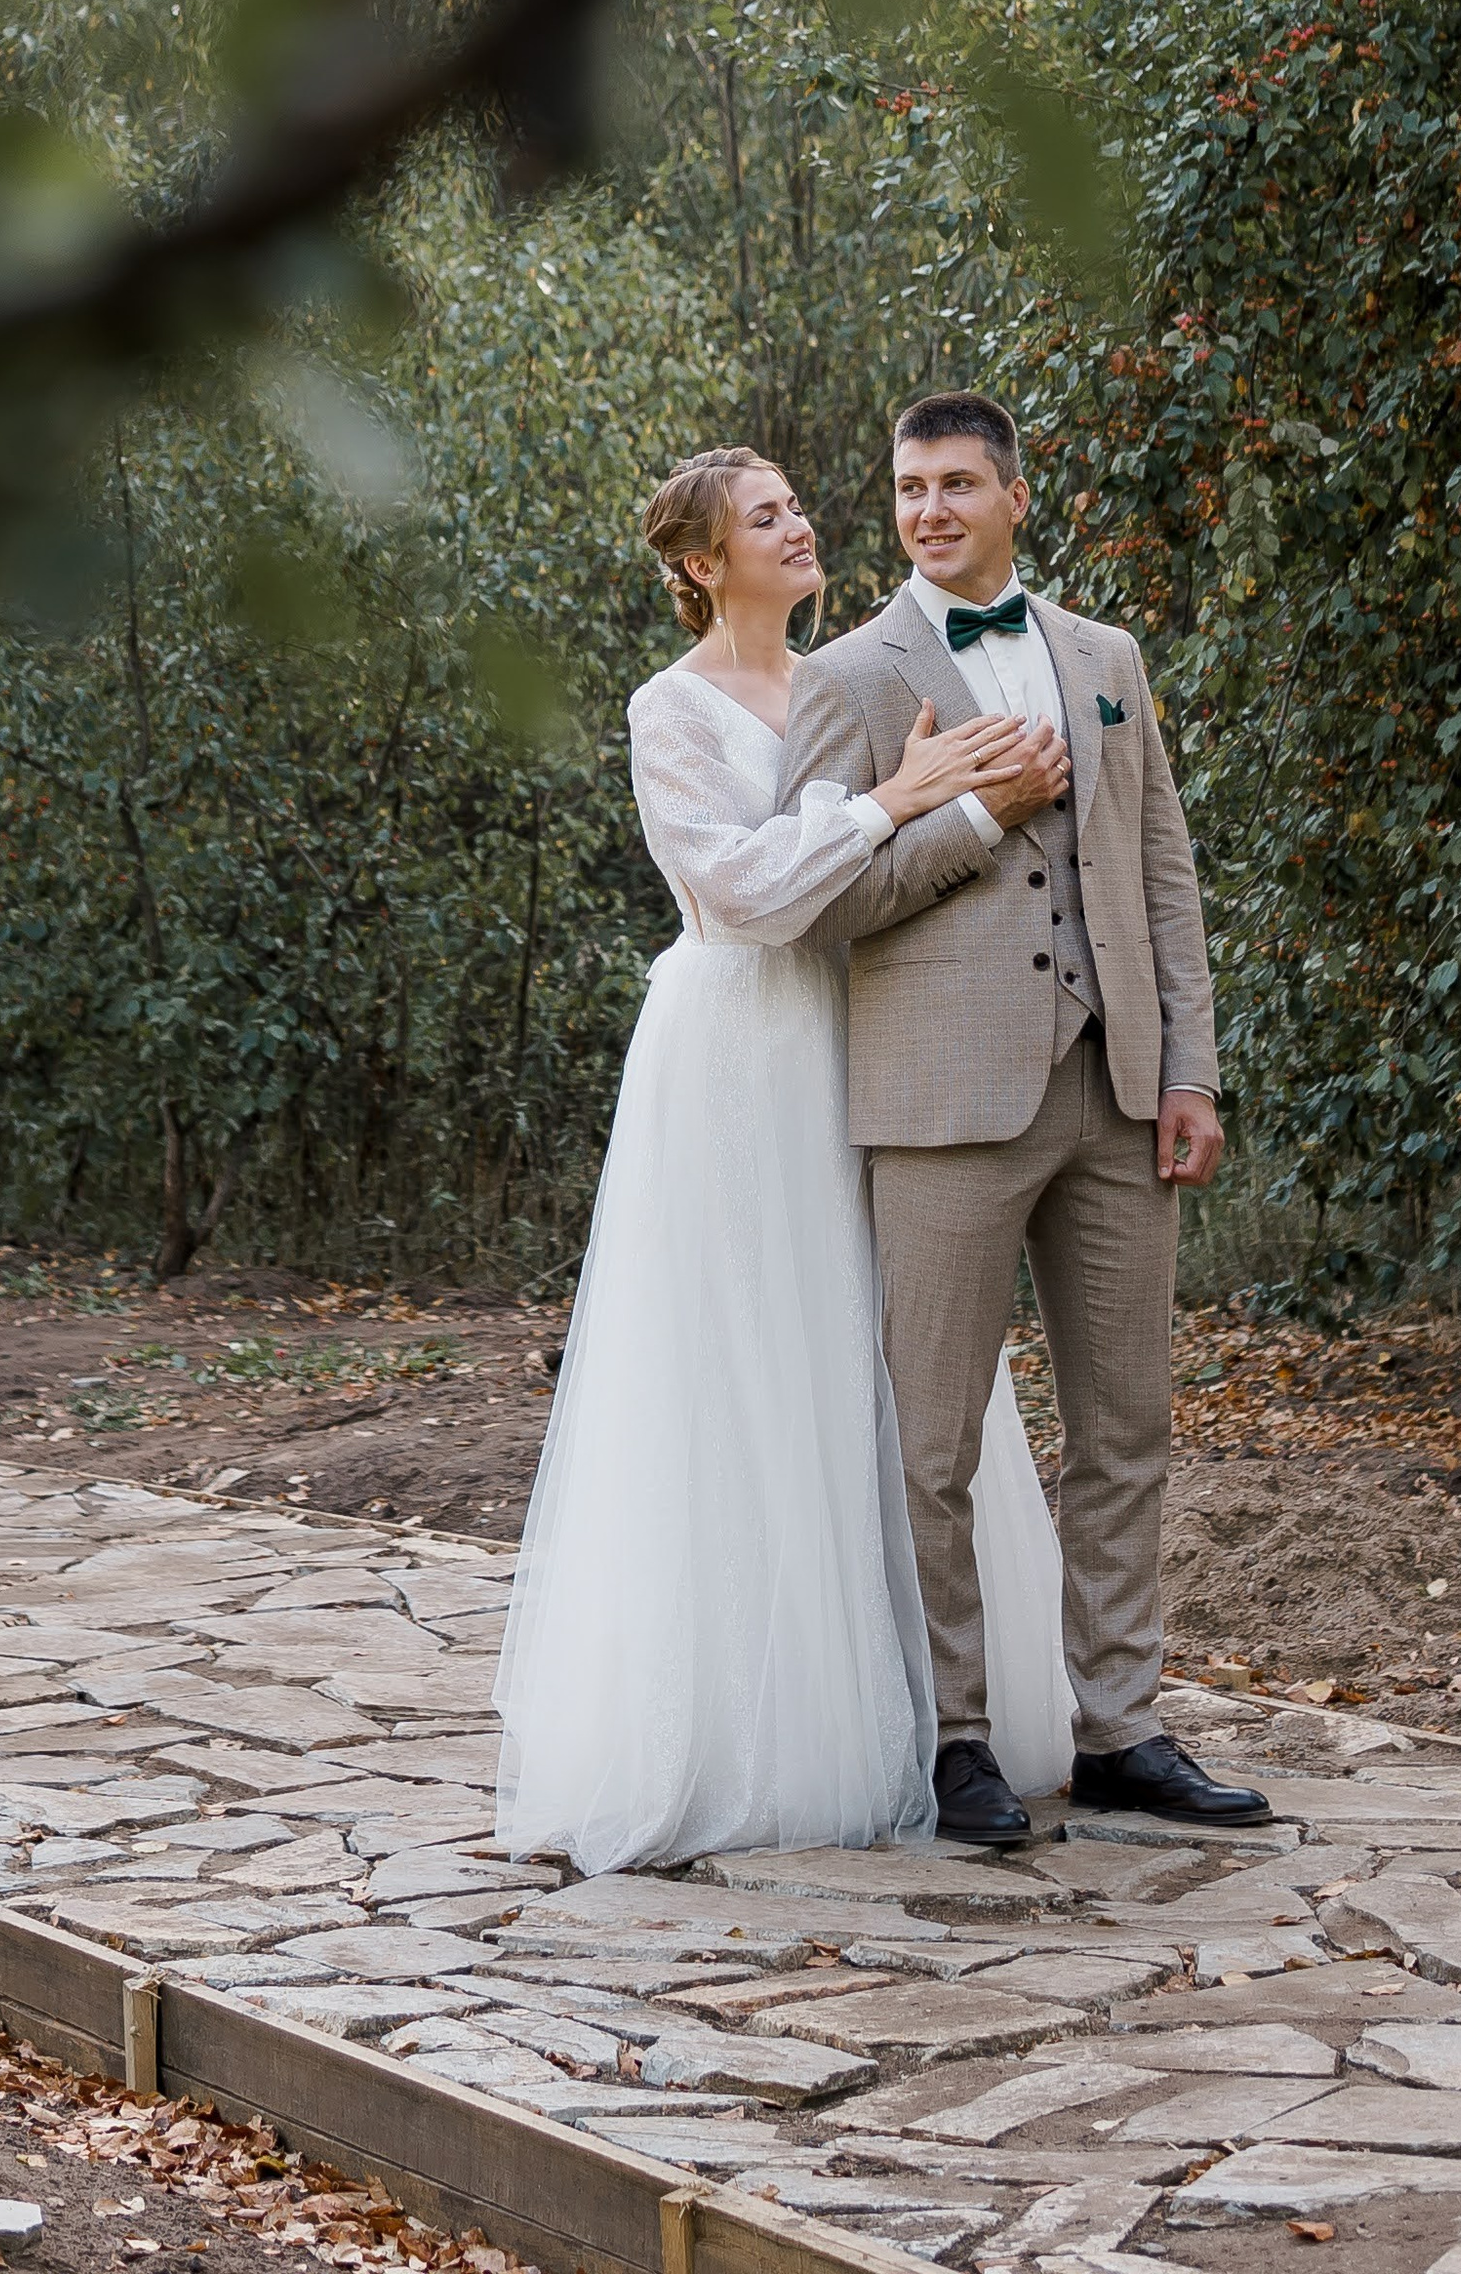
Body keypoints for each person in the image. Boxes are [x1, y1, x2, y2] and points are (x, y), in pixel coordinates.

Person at [492, 444, 1078, 1876]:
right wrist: (904, 798)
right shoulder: (668, 710)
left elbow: (874, 884)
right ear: (701, 564)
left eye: (799, 506)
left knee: (889, 1354)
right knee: (751, 1359)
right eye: (766, 518)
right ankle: (760, 1728)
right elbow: (738, 891)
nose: (802, 525)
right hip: (738, 1053)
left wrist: (952, 800)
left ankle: (943, 1710)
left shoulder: (849, 686)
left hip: (862, 1036)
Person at [778, 389, 1267, 1846]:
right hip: (942, 1107)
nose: (928, 509)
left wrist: (1192, 1070)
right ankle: (961, 1738)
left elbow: (1160, 874)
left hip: (1116, 1092)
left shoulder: (1107, 658)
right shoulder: (849, 678)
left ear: (1014, 497)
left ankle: (1122, 1728)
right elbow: (818, 905)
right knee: (933, 1443)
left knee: (1127, 1425)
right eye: (908, 487)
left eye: (955, 485)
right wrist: (977, 818)